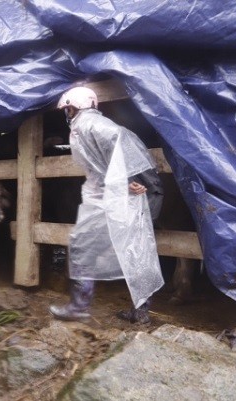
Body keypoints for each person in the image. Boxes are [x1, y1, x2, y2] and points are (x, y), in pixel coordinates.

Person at [49, 86, 164, 324]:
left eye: (68, 108)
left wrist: (129, 181)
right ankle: (139, 312)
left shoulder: (90, 125)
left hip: (116, 197)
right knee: (135, 250)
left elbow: (122, 146)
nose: (67, 113)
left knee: (86, 245)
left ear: (74, 107)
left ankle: (80, 307)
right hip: (112, 196)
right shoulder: (90, 125)